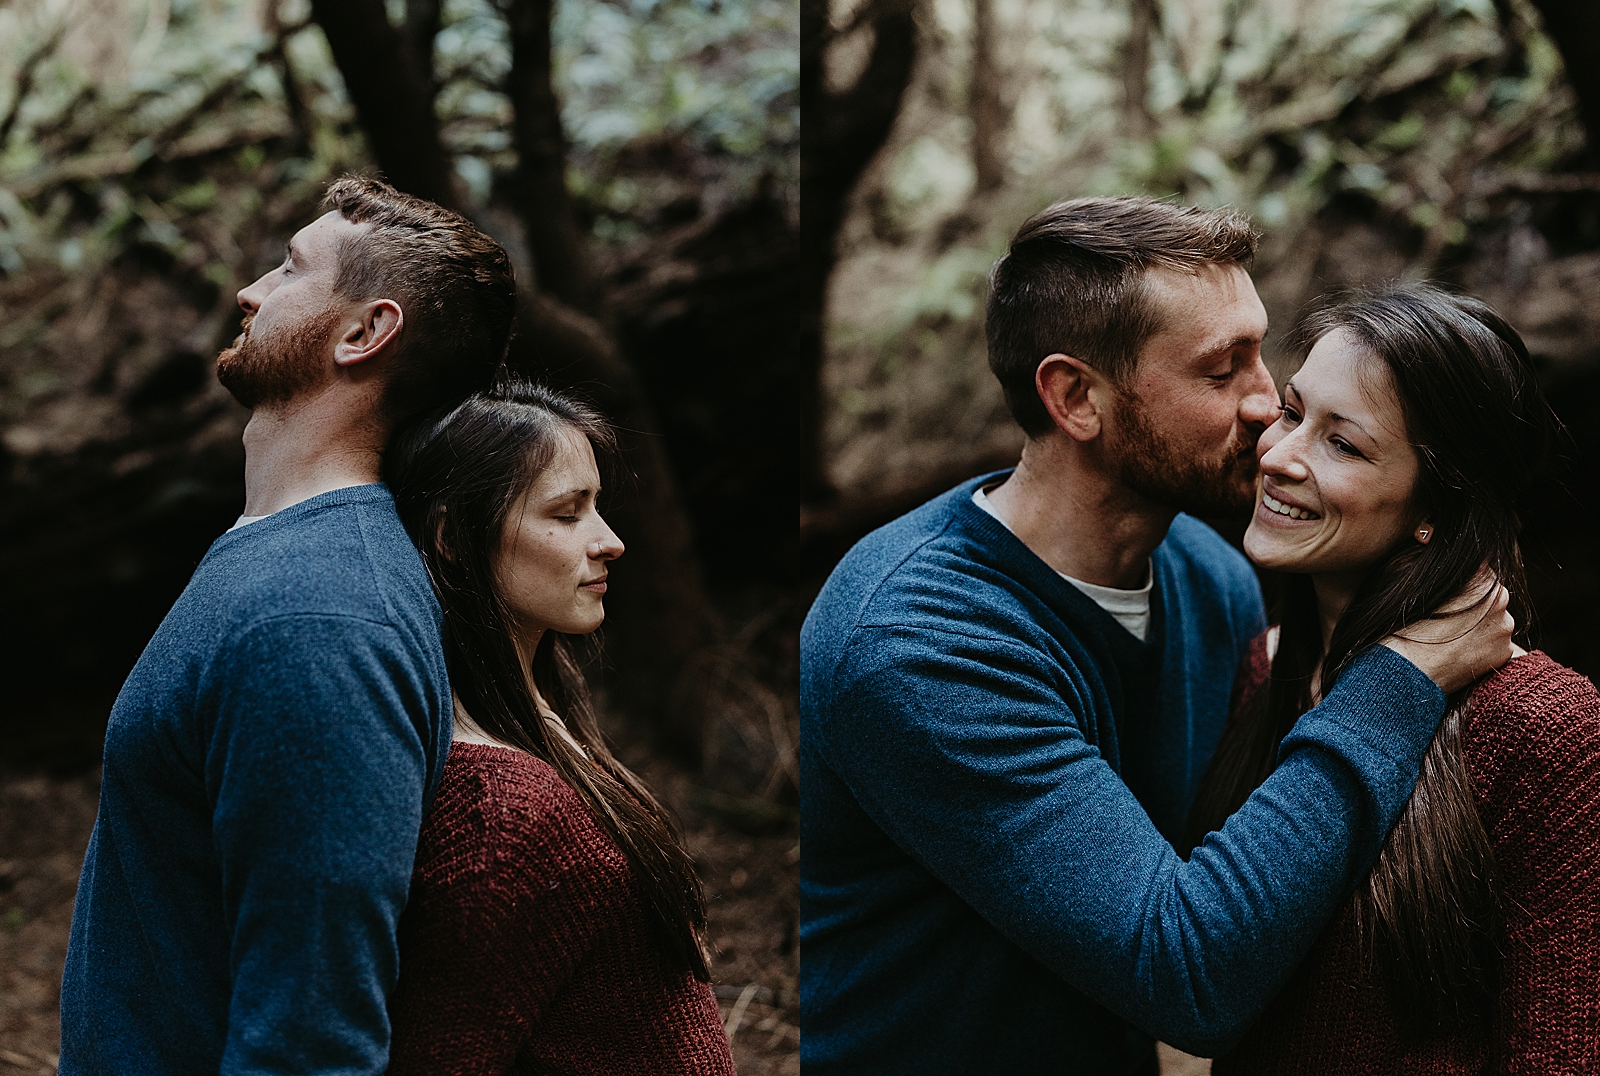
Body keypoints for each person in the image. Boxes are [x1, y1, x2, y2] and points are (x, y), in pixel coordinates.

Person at [799, 197, 1516, 1075]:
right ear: (1075, 398)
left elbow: (1250, 871)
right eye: (1222, 372)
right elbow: (1189, 974)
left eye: (1262, 353)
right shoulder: (917, 641)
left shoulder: (1211, 580)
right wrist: (1398, 678)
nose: (1267, 407)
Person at [59, 176, 517, 1073]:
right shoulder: (284, 564)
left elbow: (313, 1034)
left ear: (363, 333)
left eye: (290, 268)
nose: (251, 291)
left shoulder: (319, 616)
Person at [1186, 286, 1600, 1072]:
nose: (1277, 455)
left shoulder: (1545, 729)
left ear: (1433, 509)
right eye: (1292, 411)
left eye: (1343, 444)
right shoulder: (1261, 667)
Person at [381, 381, 736, 1075]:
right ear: (454, 535)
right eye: (567, 513)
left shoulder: (542, 702)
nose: (611, 541)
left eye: (596, 505)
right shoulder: (501, 819)